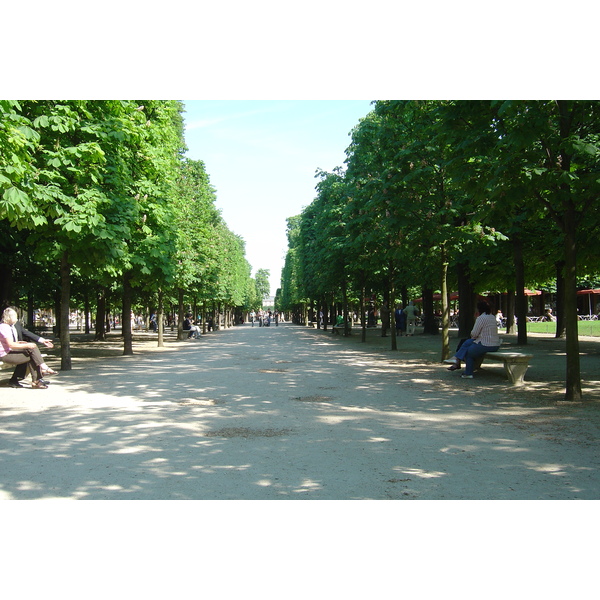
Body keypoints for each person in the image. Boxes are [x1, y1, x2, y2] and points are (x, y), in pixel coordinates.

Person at [0, 307, 55, 389]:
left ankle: (38, 378)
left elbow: (21, 336)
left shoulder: (10, 326)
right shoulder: (4, 327)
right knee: (32, 353)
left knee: (32, 351)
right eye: (15, 316)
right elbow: (11, 345)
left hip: (10, 351)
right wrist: (27, 345)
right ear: (9, 317)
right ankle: (40, 375)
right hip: (5, 354)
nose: (16, 318)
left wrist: (21, 343)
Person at [444, 300, 501, 378]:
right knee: (467, 342)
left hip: (485, 344)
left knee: (469, 351)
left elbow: (474, 334)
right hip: (495, 344)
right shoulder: (492, 317)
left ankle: (468, 372)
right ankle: (457, 360)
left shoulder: (481, 318)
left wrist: (473, 335)